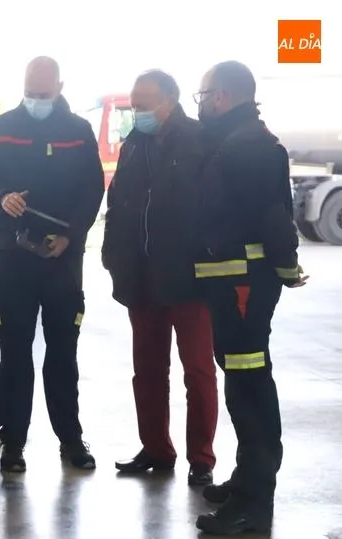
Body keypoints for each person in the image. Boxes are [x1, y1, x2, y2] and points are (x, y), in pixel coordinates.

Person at [0, 56, 105, 473]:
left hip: (62, 262)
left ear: (60, 87)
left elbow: (92, 191)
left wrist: (71, 235)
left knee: (62, 356)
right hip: (12, 261)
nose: (35, 101)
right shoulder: (3, 127)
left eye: (43, 95)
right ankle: (14, 444)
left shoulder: (78, 132)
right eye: (29, 94)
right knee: (14, 357)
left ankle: (71, 440)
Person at [192, 60, 307, 535]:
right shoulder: (235, 140)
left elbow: (273, 218)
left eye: (202, 94)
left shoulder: (251, 146)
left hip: (243, 286)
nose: (199, 103)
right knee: (243, 384)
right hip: (231, 286)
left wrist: (285, 268)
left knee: (249, 390)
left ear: (220, 95)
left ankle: (254, 506)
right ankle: (245, 480)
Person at [102, 70, 219, 487]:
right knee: (147, 370)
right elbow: (117, 202)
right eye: (134, 104)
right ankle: (155, 449)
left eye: (145, 103)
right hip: (140, 278)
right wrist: (112, 256)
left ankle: (201, 459)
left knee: (198, 371)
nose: (138, 111)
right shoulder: (134, 144)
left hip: (189, 279)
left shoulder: (198, 140)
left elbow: (215, 205)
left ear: (170, 100)